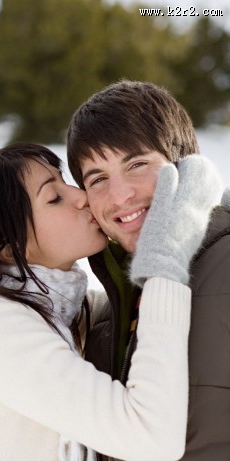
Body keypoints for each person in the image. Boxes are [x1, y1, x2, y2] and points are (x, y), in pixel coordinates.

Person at [0, 143, 221, 461]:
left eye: (64, 180)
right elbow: (150, 437)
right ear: (6, 247)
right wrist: (165, 256)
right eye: (54, 197)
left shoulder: (59, 310)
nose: (81, 196)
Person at [66, 80, 230, 461]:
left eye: (137, 164)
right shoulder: (108, 313)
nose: (120, 196)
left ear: (185, 165)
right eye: (98, 179)